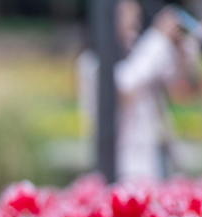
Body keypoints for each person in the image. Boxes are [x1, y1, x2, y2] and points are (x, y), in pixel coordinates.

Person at [77, 1, 194, 180]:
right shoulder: (91, 60)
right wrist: (158, 37)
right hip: (120, 165)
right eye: (124, 13)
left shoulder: (141, 52)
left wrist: (179, 46)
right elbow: (125, 85)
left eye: (134, 12)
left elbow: (176, 79)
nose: (132, 20)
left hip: (154, 159)